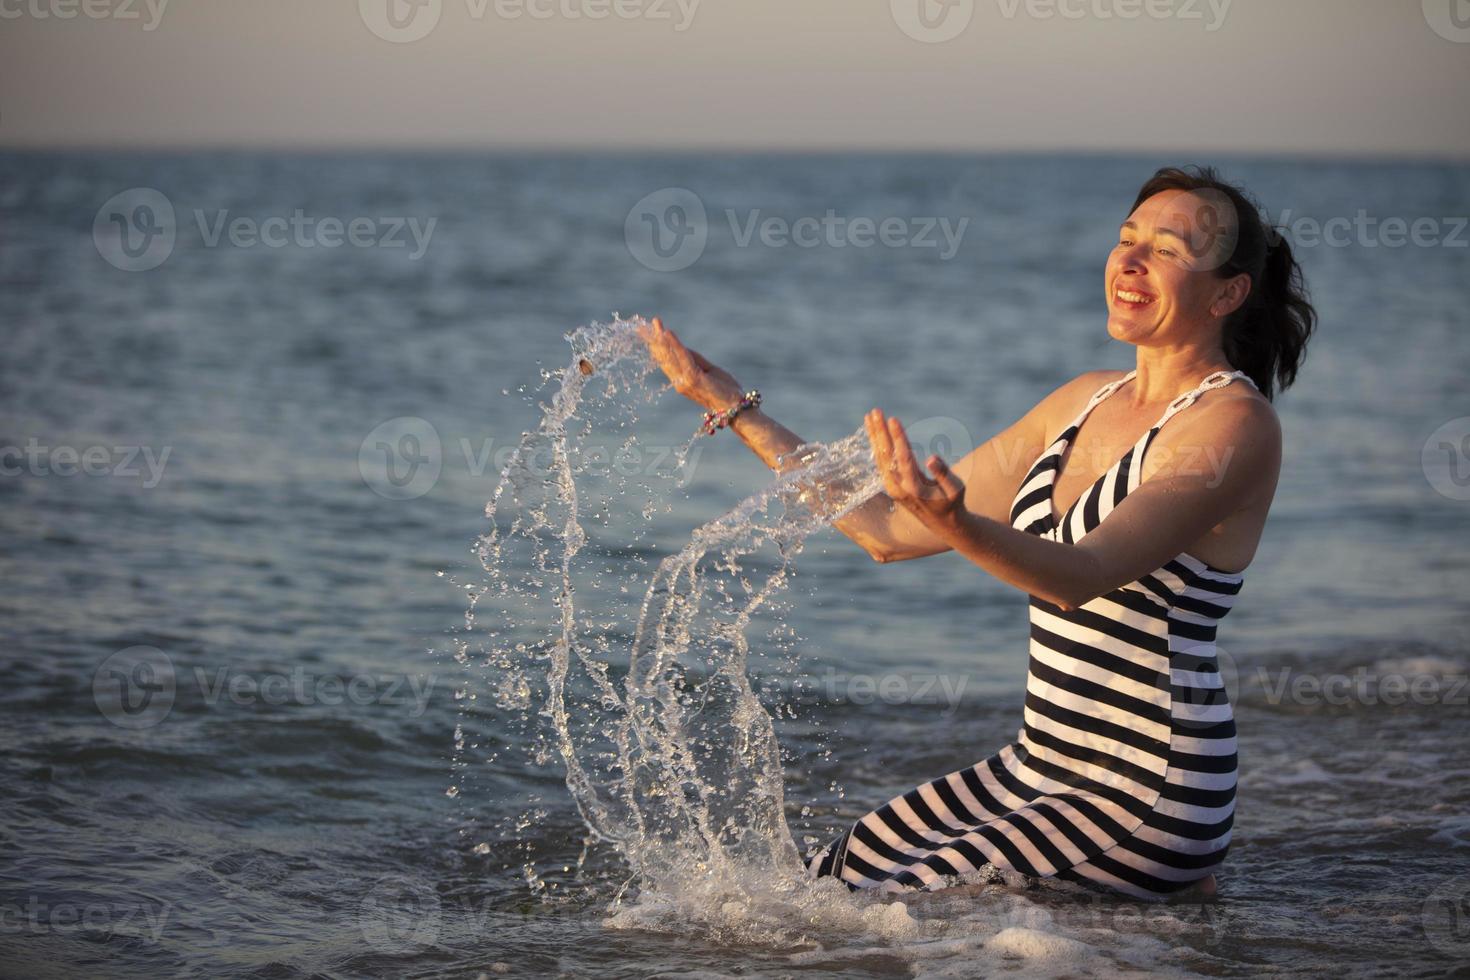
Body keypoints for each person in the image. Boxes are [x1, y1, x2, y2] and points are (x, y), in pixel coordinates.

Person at [638, 165, 1316, 901]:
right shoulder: (1083, 400)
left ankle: (1168, 900)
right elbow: (886, 531)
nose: (1130, 261)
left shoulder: (1233, 426)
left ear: (1227, 293)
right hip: (1036, 768)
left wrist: (957, 522)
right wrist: (738, 408)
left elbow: (1080, 575)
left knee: (889, 913)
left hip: (1148, 789)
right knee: (822, 885)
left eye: (1167, 249)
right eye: (1127, 240)